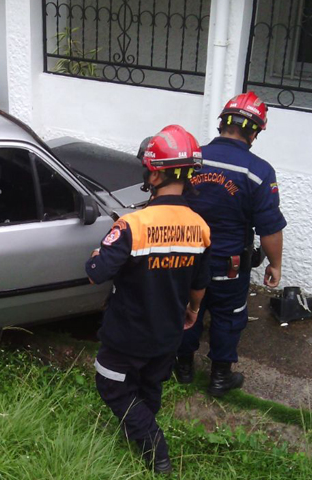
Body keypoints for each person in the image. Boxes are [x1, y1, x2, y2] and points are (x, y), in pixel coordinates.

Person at [86, 126, 211, 476]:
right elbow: (199, 284)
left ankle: (154, 445)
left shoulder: (131, 225)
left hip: (127, 332)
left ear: (154, 173)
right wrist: (194, 310)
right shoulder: (199, 227)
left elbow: (96, 271)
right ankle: (140, 434)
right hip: (169, 331)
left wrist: (99, 252)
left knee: (111, 385)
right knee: (149, 385)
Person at [175, 91, 287, 397]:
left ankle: (182, 368)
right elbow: (270, 227)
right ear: (254, 132)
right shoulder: (259, 171)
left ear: (223, 122)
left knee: (187, 308)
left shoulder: (192, 157)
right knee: (228, 316)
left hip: (186, 258)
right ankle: (220, 379)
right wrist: (275, 265)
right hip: (229, 268)